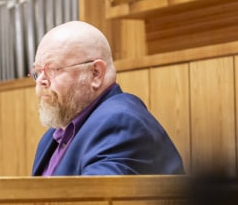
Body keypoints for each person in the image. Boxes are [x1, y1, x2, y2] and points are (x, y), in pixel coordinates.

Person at [30, 21, 184, 176]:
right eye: (38, 72)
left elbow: (96, 198)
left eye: (52, 70)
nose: (40, 81)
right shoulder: (51, 137)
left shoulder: (121, 123)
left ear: (95, 73)